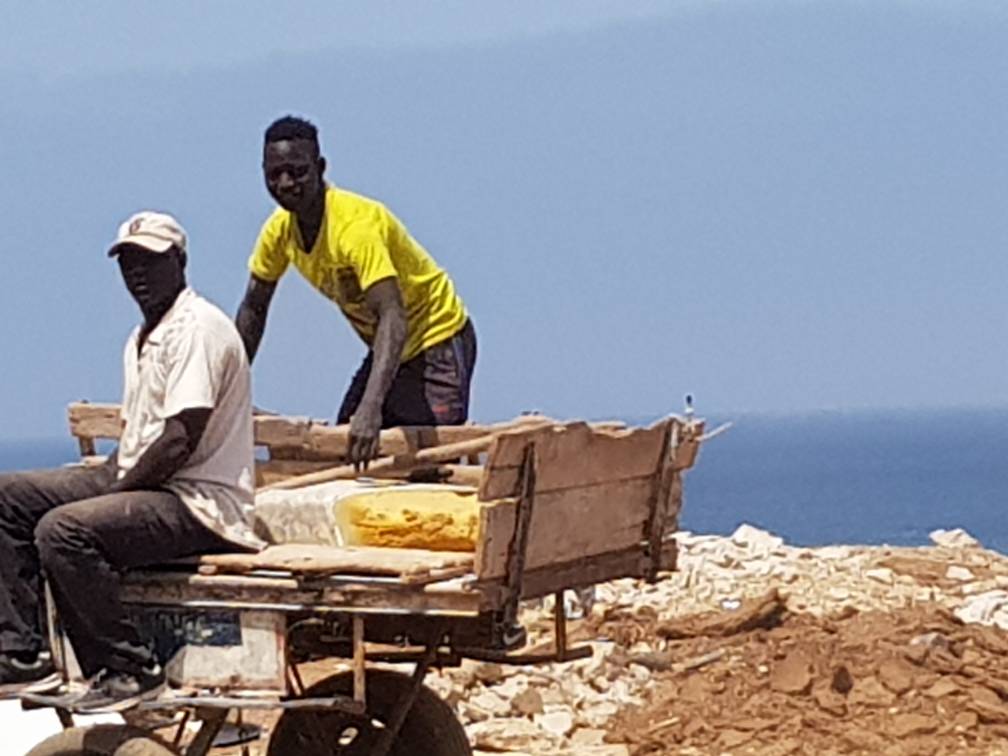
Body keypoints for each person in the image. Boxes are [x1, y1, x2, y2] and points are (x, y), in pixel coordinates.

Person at [0, 211, 262, 713]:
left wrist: (111, 494)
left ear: (180, 261)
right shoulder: (142, 337)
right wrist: (102, 479)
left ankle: (128, 668)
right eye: (128, 263)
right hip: (152, 484)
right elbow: (140, 440)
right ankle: (21, 651)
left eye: (150, 260)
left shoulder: (197, 329)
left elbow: (177, 441)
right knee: (8, 497)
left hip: (199, 501)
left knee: (63, 531)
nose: (137, 273)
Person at [236, 116, 477, 468]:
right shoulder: (279, 232)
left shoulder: (354, 227)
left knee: (425, 466)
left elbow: (393, 315)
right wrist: (229, 388)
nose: (286, 184)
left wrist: (371, 406)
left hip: (435, 339)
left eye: (298, 172)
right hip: (390, 347)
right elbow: (253, 308)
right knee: (346, 455)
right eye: (275, 174)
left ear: (319, 168)